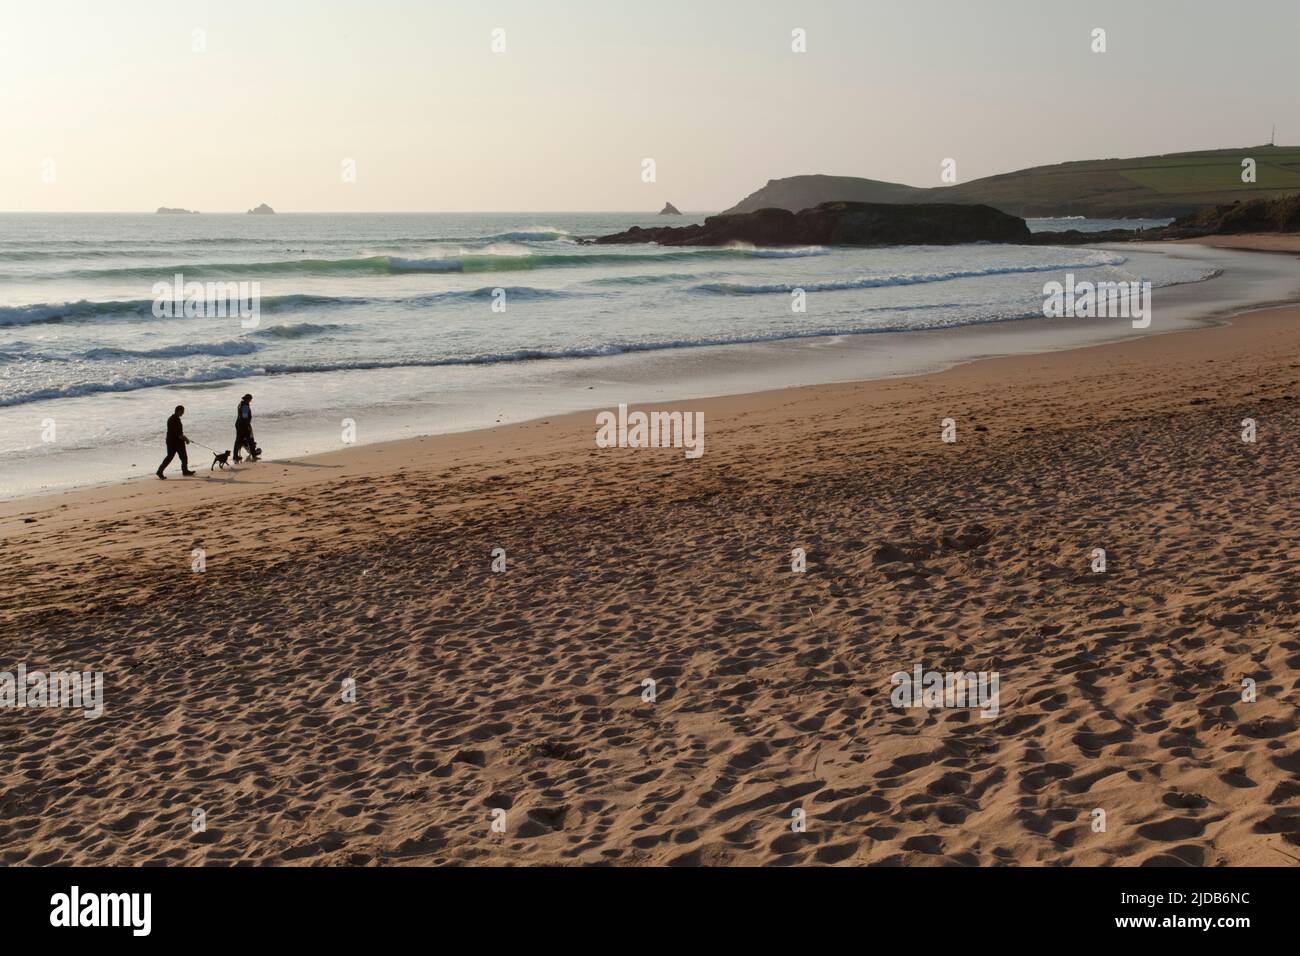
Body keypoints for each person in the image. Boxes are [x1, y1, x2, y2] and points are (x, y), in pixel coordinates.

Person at [156, 405, 195, 478]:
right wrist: (186, 439)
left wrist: (184, 439)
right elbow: (178, 434)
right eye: (182, 411)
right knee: (173, 457)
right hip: (174, 442)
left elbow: (178, 433)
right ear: (179, 411)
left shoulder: (175, 418)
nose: (183, 413)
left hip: (173, 441)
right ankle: (160, 471)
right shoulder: (174, 419)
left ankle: (185, 471)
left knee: (181, 457)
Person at [233, 393, 259, 462]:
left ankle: (235, 456)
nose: (250, 401)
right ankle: (253, 454)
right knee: (250, 439)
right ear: (248, 399)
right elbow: (245, 417)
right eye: (250, 399)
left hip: (238, 424)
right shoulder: (245, 406)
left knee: (238, 440)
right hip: (243, 425)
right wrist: (248, 426)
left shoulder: (240, 404)